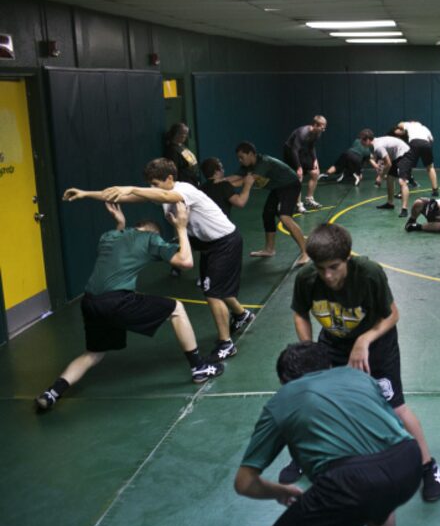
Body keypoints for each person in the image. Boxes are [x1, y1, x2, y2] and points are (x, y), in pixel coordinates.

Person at [288, 224, 440, 502]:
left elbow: (393, 314)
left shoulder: (369, 274)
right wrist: (308, 348)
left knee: (394, 408)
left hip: (376, 345)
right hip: (333, 344)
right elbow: (300, 313)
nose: (327, 275)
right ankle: (309, 455)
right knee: (318, 404)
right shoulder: (306, 278)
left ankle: (428, 466)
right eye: (321, 267)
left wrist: (365, 340)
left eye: (334, 267)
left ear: (347, 258)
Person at [63, 158, 255, 363]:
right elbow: (121, 196)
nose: (150, 188)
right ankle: (241, 314)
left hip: (225, 242)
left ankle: (226, 344)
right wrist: (86, 194)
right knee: (213, 286)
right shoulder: (161, 194)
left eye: (154, 183)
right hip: (208, 244)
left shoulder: (184, 190)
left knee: (213, 292)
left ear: (170, 178)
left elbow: (162, 194)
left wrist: (131, 187)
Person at [35, 201, 223, 410]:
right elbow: (186, 262)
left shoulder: (109, 236)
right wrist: (181, 227)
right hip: (116, 302)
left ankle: (52, 392)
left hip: (90, 303)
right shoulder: (151, 239)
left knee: (94, 353)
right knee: (176, 308)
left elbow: (120, 247)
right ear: (154, 233)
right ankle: (199, 368)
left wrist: (120, 223)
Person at [234, 341, 422, 526]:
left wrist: (281, 491)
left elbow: (245, 483)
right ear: (330, 366)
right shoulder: (357, 376)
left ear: (283, 380)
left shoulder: (282, 399)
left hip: (350, 482)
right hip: (409, 462)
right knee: (376, 500)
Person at [234, 141, 309, 263]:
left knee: (285, 218)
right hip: (278, 187)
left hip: (291, 185)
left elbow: (246, 181)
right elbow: (236, 177)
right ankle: (269, 249)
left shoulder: (264, 162)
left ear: (251, 154)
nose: (240, 161)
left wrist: (223, 184)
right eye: (238, 158)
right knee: (267, 214)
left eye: (241, 157)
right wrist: (221, 180)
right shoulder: (247, 166)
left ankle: (306, 251)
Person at [284, 116, 327, 212]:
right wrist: (299, 167)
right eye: (322, 127)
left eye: (324, 128)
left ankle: (309, 199)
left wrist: (315, 159)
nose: (323, 130)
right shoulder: (302, 133)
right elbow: (294, 150)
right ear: (315, 125)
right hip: (291, 152)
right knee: (299, 177)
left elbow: (311, 146)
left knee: (315, 173)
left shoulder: (317, 133)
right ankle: (298, 204)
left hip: (303, 151)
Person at [394, 121, 440, 197]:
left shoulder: (409, 124)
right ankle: (435, 190)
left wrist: (402, 129)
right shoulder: (425, 128)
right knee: (430, 167)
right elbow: (432, 140)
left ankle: (402, 192)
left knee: (407, 166)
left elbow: (399, 125)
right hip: (426, 144)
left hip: (414, 143)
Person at [373, 134, 414, 218]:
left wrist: (380, 177)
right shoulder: (376, 142)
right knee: (390, 178)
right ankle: (390, 203)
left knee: (402, 181)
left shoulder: (377, 146)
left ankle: (404, 209)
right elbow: (387, 161)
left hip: (405, 154)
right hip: (396, 156)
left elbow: (388, 163)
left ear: (366, 140)